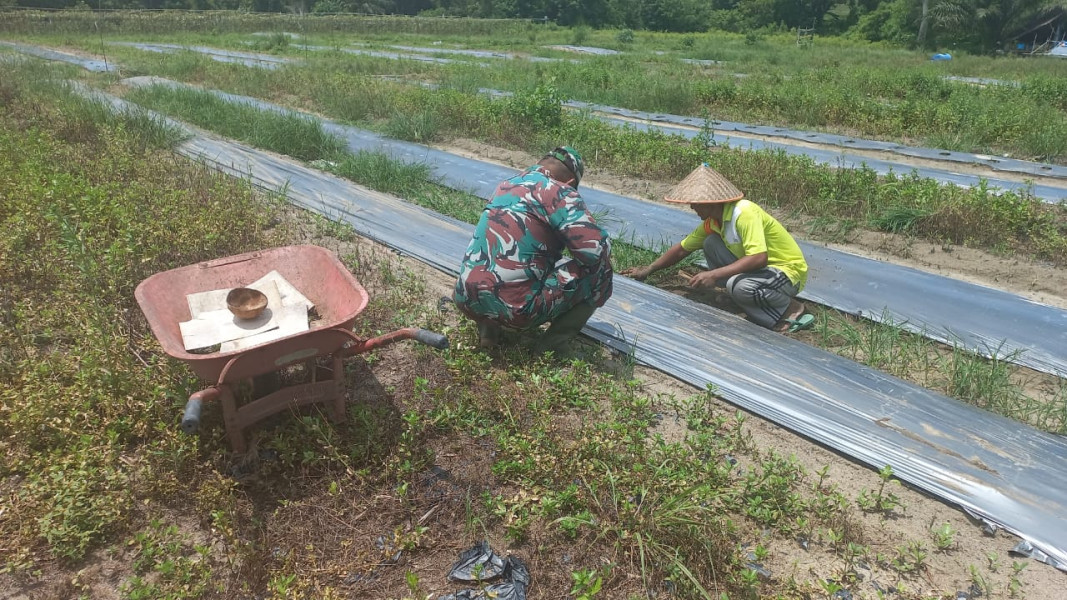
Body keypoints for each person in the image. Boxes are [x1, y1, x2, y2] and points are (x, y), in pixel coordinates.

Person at [453, 146, 614, 352]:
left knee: (492, 261)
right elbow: (595, 253)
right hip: (517, 311)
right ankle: (554, 346)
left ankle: (489, 332)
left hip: (465, 299)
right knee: (601, 269)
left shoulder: (506, 184)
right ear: (571, 182)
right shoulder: (560, 192)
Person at [621, 164, 811, 333]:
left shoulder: (744, 213)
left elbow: (759, 257)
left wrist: (714, 274)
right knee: (711, 243)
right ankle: (743, 297)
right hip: (762, 272)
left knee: (739, 286)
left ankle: (789, 307)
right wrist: (650, 268)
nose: (693, 207)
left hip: (786, 272)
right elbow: (681, 249)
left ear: (711, 203)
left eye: (696, 203)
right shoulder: (713, 222)